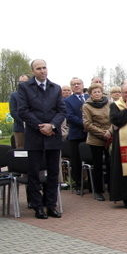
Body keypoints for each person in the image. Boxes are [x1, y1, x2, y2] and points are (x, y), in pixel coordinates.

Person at [17, 59, 66, 219]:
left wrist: (52, 125)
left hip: (53, 136)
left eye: (44, 67)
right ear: (33, 71)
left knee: (53, 173)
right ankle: (38, 207)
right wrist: (40, 126)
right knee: (34, 173)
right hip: (34, 136)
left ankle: (51, 205)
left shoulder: (55, 88)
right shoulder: (25, 87)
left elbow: (61, 111)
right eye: (38, 68)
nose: (42, 71)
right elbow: (23, 111)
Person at [82, 83, 112, 200]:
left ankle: (112, 188)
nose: (97, 94)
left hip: (110, 137)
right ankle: (98, 191)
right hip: (95, 139)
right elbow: (87, 124)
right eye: (94, 92)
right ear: (90, 94)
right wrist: (103, 133)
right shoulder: (86, 106)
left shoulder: (109, 103)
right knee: (98, 165)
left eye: (99, 91)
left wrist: (109, 132)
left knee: (111, 164)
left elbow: (114, 119)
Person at [64, 77, 88, 189]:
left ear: (83, 85)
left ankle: (90, 183)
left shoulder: (89, 98)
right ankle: (78, 184)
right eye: (74, 84)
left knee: (90, 159)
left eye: (78, 83)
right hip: (76, 135)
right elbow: (70, 116)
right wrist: (85, 124)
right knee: (76, 160)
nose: (76, 85)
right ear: (71, 87)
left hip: (91, 135)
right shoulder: (67, 101)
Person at [10, 74, 29, 148]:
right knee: (20, 150)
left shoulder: (34, 94)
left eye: (24, 82)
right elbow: (13, 111)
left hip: (33, 128)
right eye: (20, 82)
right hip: (20, 128)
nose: (22, 84)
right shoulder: (14, 95)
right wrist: (24, 122)